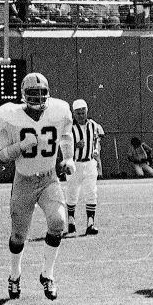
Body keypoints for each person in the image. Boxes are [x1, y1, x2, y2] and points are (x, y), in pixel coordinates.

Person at [0, 73, 74, 300]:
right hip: (24, 179)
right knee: (19, 235)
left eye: (42, 92)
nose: (38, 97)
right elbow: (1, 155)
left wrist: (68, 159)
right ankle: (14, 274)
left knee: (58, 222)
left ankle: (47, 275)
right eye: (33, 93)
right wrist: (20, 146)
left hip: (49, 178)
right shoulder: (9, 115)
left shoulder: (58, 111)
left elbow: (66, 137)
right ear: (23, 94)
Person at [66, 100, 104, 236]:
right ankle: (71, 222)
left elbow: (96, 142)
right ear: (73, 113)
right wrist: (75, 146)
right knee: (72, 193)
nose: (81, 115)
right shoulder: (69, 127)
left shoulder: (93, 125)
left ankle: (90, 224)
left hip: (89, 163)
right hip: (75, 163)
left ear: (87, 111)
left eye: (83, 112)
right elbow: (62, 145)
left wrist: (95, 150)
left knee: (91, 193)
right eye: (78, 113)